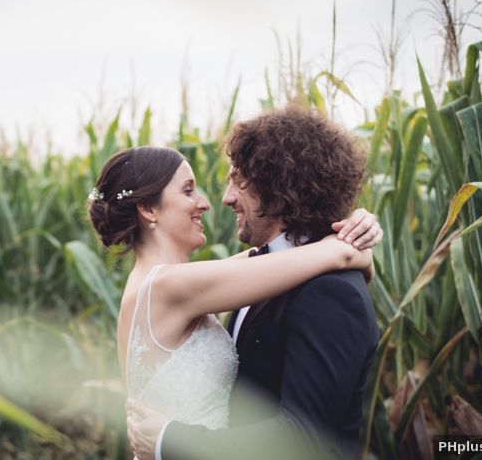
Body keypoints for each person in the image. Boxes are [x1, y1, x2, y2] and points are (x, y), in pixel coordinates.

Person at [123, 107, 380, 460]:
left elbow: (305, 438)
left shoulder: (329, 291)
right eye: (188, 190)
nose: (224, 199)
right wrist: (353, 252)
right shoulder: (260, 273)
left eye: (237, 180)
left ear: (277, 183)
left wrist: (171, 439)